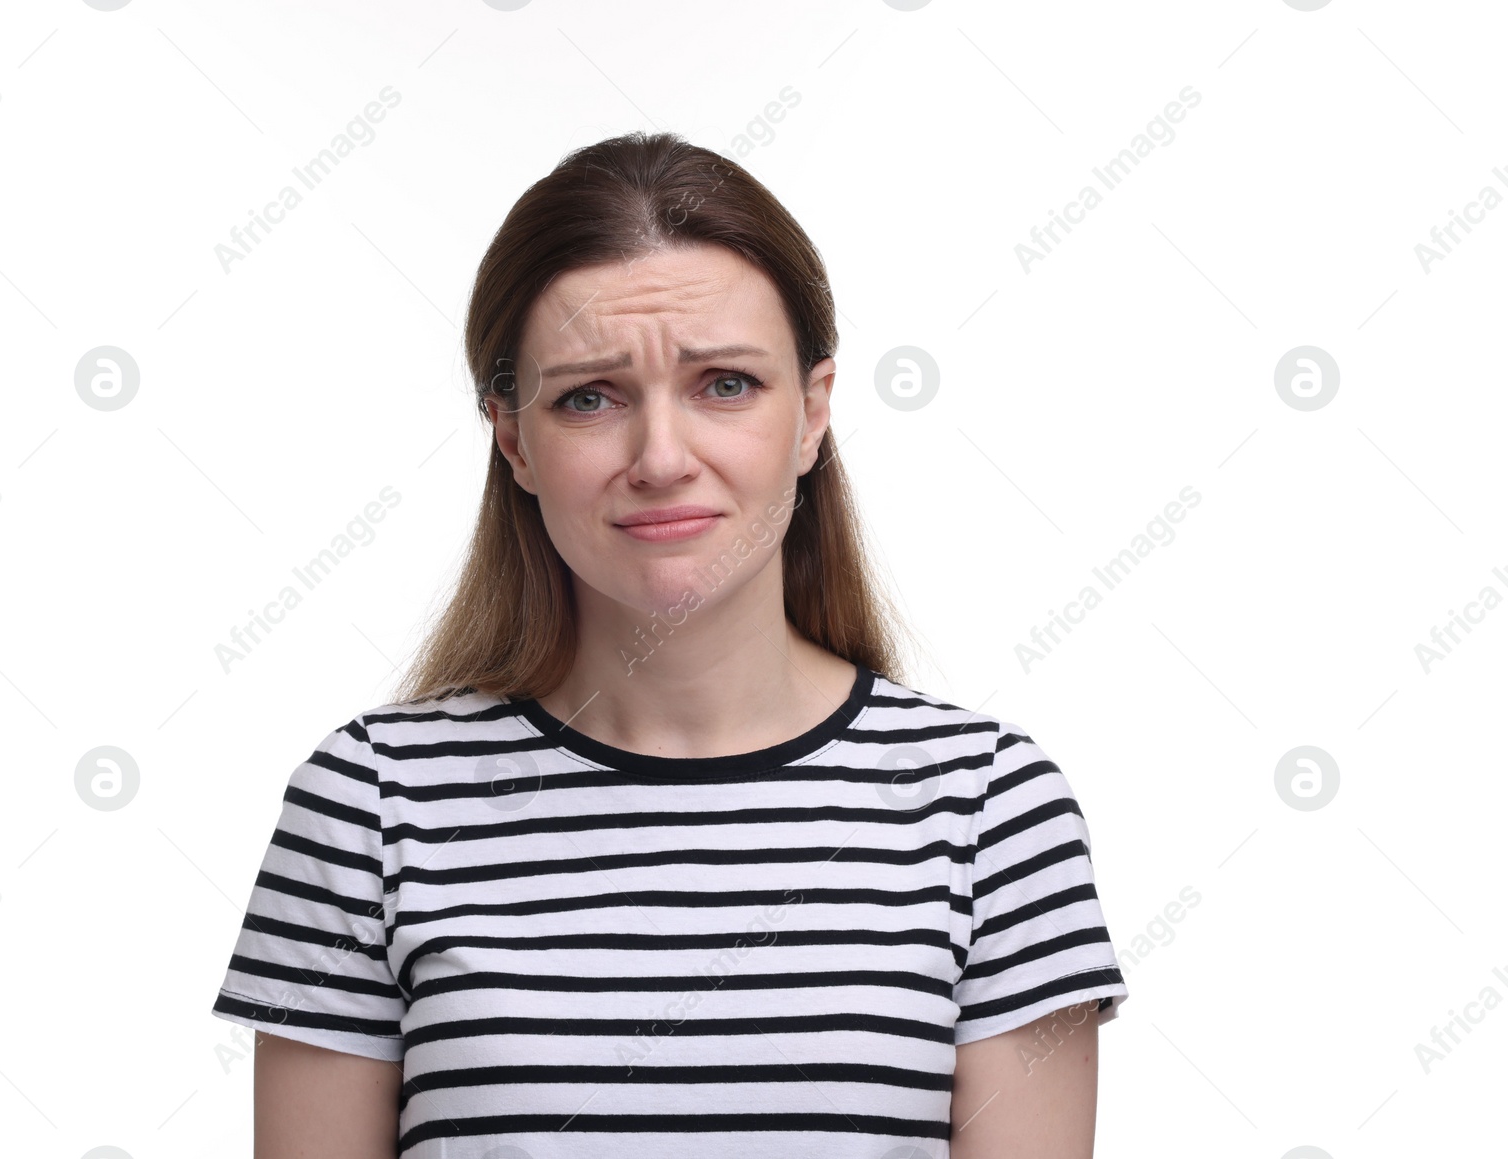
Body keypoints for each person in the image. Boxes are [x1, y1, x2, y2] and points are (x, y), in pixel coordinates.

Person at [210, 130, 1128, 1159]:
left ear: (813, 412)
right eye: (588, 397)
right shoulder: (369, 808)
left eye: (724, 384)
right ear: (512, 439)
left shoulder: (989, 811)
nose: (659, 458)